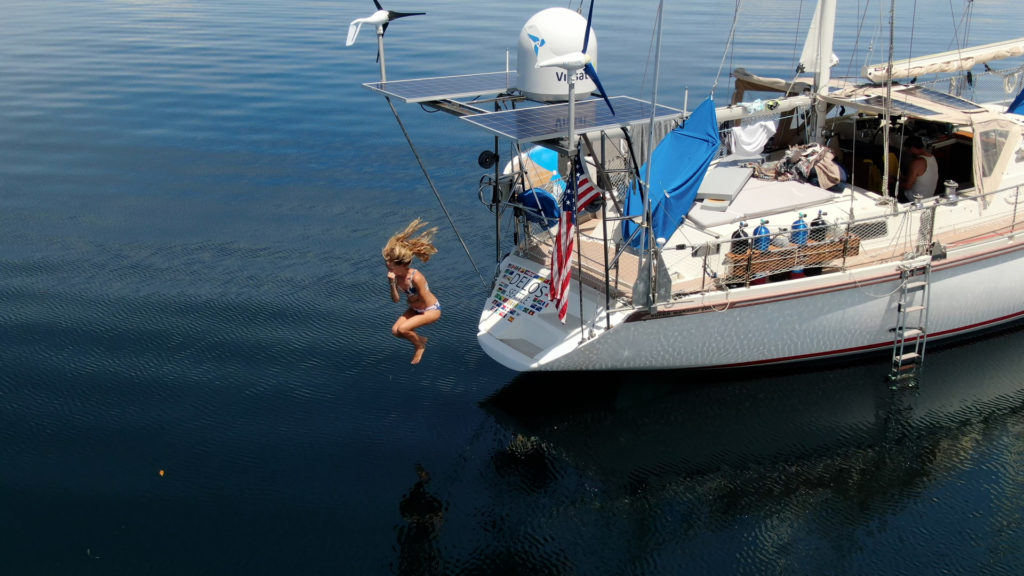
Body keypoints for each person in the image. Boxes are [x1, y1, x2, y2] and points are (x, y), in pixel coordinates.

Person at [383, 218, 441, 364]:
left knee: (403, 329)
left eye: (391, 267)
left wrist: (414, 305)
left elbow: (424, 299)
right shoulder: (396, 277)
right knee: (395, 331)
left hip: (430, 309)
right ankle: (419, 339)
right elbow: (396, 300)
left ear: (402, 265)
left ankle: (420, 346)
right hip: (414, 309)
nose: (388, 269)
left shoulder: (416, 277)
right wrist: (392, 284)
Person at [900, 135, 939, 203]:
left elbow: (908, 186)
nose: (908, 153)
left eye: (907, 150)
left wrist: (895, 183)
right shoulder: (933, 158)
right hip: (929, 197)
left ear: (912, 148)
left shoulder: (917, 163)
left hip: (914, 200)